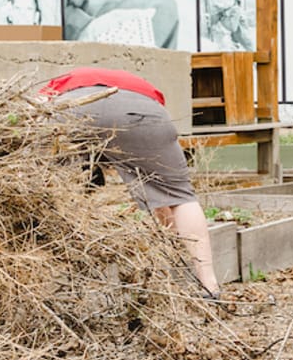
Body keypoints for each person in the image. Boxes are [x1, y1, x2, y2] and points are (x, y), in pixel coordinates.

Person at [39, 66, 220, 298]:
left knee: (51, 189)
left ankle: (54, 276)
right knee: (179, 195)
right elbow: (162, 194)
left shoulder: (62, 83)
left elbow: (37, 107)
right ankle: (209, 285)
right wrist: (172, 236)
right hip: (140, 113)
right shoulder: (146, 91)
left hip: (72, 111)